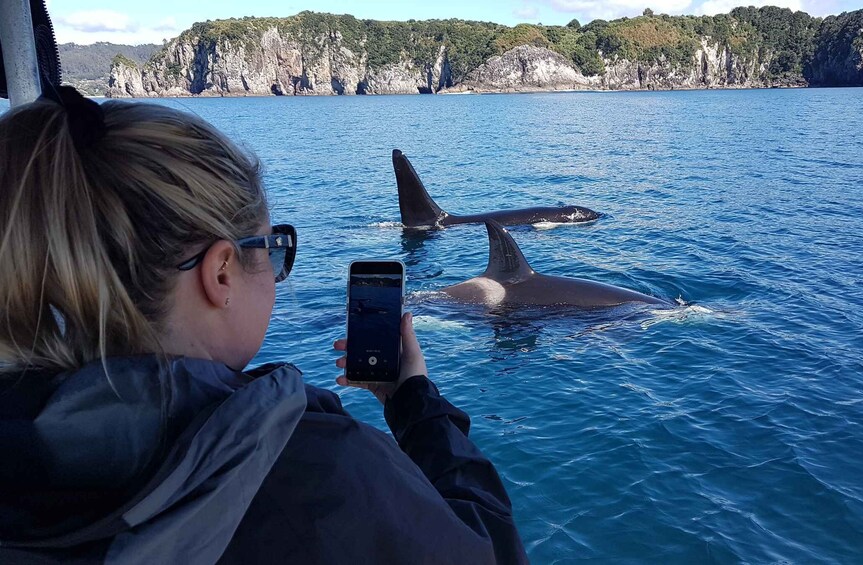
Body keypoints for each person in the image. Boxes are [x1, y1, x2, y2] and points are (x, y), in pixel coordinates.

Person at [0, 87, 528, 564]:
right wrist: (416, 403)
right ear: (221, 272)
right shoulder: (321, 474)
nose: (279, 272)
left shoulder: (22, 452)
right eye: (273, 250)